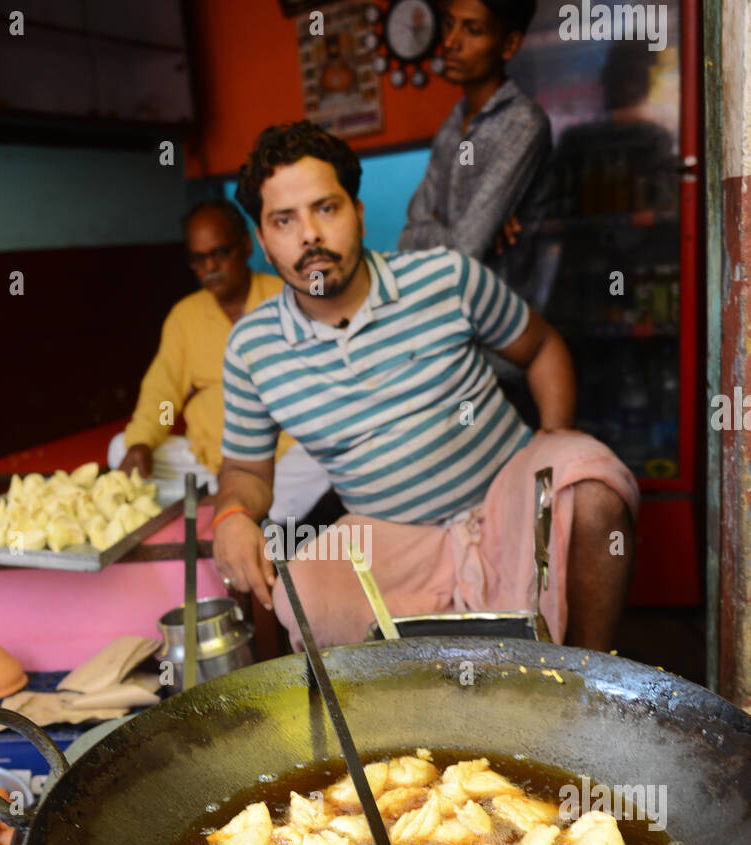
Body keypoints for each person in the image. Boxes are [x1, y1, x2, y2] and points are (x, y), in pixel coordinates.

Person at [212, 122, 639, 653]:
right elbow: (248, 471)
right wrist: (232, 515)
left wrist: (554, 439)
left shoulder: (445, 278)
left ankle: (591, 683)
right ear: (263, 241)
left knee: (593, 493)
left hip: (505, 491)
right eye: (284, 219)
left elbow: (541, 346)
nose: (310, 236)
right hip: (391, 539)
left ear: (359, 214)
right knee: (304, 590)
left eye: (327, 208)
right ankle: (414, 726)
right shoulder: (253, 348)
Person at [112, 199, 330, 522]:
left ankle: (237, 504)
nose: (210, 267)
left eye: (219, 253)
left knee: (325, 456)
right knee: (121, 447)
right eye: (199, 259)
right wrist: (142, 442)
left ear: (245, 245)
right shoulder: (185, 316)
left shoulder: (288, 300)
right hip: (207, 458)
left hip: (278, 459)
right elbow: (163, 394)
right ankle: (239, 503)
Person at [398, 0, 552, 305]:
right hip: (448, 319)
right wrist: (471, 227)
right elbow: (407, 239)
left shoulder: (523, 123)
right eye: (449, 24)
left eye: (473, 30)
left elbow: (466, 252)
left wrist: (448, 228)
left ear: (509, 45)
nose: (451, 42)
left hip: (502, 334)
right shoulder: (452, 125)